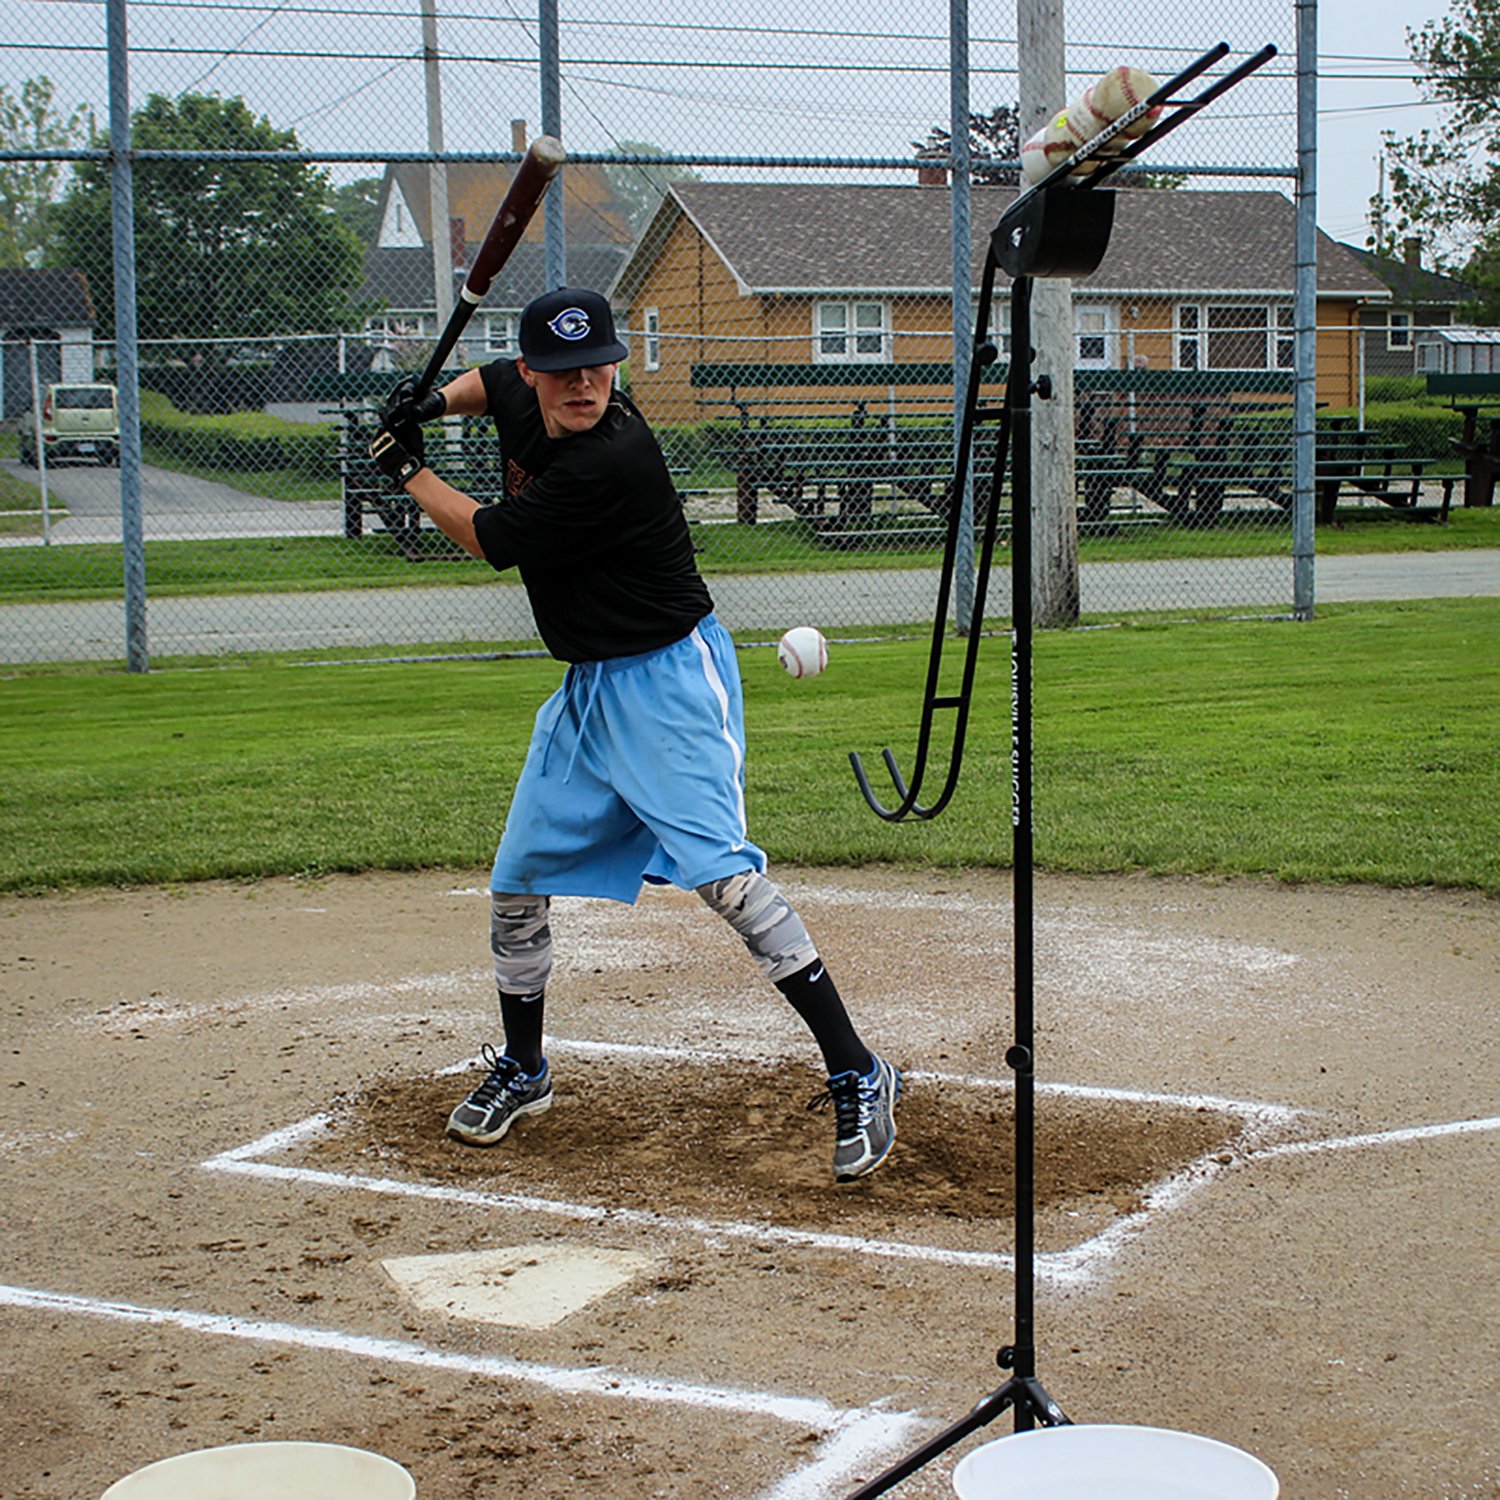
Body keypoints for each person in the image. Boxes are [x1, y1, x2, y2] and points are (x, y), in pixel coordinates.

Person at [369, 286, 900, 1183]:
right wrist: (430, 404)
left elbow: (488, 537)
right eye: (564, 369)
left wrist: (408, 469)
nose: (584, 384)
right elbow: (490, 379)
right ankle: (526, 1068)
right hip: (588, 690)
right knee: (516, 883)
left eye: (599, 366)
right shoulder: (527, 385)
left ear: (616, 368)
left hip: (668, 684)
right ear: (540, 370)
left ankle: (860, 1069)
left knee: (725, 879)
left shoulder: (612, 458)